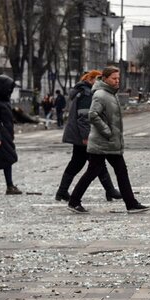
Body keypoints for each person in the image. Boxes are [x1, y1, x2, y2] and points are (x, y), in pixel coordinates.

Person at [67, 66, 149, 214]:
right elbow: (93, 115)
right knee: (93, 172)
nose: (117, 81)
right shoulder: (100, 94)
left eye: (118, 78)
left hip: (110, 142)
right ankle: (74, 201)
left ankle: (131, 203)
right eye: (114, 78)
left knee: (120, 171)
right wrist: (107, 131)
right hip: (102, 142)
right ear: (105, 79)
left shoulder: (111, 93)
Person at [56, 70, 122, 202]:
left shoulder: (83, 91)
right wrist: (86, 137)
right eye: (98, 80)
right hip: (83, 136)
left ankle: (62, 191)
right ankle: (110, 191)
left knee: (78, 163)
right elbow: (84, 117)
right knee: (97, 162)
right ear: (91, 80)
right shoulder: (87, 93)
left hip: (79, 135)